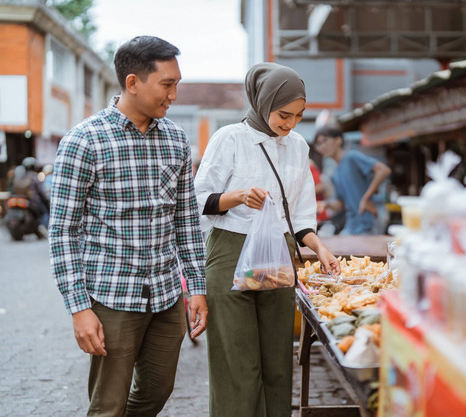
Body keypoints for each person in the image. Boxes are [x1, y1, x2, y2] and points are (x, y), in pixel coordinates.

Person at [48, 36, 208, 416]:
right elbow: (62, 232)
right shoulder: (84, 141)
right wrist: (79, 309)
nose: (174, 95)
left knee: (158, 390)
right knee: (108, 404)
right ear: (133, 82)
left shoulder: (176, 140)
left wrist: (197, 288)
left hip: (167, 295)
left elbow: (186, 219)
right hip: (112, 296)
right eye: (166, 84)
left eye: (177, 84)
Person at [194, 62, 341, 416]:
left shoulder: (298, 146)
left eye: (299, 116)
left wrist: (321, 248)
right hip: (231, 251)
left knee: (277, 360)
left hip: (279, 254)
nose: (290, 124)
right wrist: (238, 197)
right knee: (238, 362)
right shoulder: (229, 138)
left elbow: (302, 213)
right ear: (262, 103)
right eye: (283, 114)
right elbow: (197, 199)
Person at [314, 126, 392, 235]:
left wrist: (366, 198)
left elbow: (384, 170)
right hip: (352, 224)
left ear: (338, 140)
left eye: (325, 141)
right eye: (318, 144)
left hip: (368, 220)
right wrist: (325, 204)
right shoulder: (335, 173)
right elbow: (340, 204)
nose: (322, 146)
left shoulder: (351, 157)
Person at [12, 156, 49, 229]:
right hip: (34, 200)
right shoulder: (34, 176)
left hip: (21, 198)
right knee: (45, 212)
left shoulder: (21, 175)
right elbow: (40, 190)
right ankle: (42, 227)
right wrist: (45, 198)